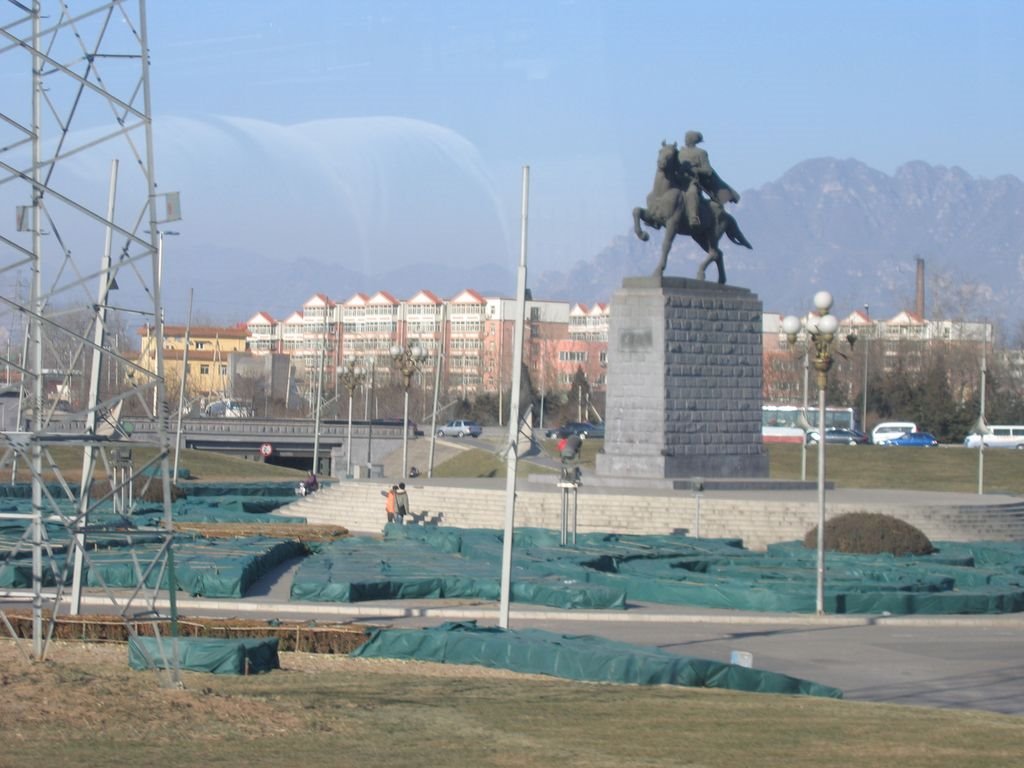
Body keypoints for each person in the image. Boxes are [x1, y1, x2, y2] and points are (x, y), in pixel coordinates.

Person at [676, 130, 740, 229]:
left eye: (687, 137)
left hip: (692, 182)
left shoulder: (701, 153)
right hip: (679, 180)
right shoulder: (680, 152)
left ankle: (694, 217)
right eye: (685, 137)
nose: (685, 139)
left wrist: (694, 169)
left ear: (693, 140)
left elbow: (708, 170)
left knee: (692, 192)